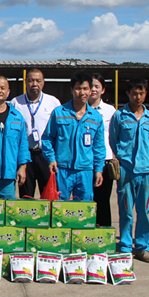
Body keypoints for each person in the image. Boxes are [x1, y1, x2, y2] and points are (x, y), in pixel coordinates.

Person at [109, 78, 149, 263]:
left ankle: (142, 247)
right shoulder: (119, 116)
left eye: (142, 93)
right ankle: (126, 246)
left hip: (146, 170)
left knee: (144, 210)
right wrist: (122, 159)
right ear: (128, 94)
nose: (138, 97)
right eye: (135, 93)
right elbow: (113, 140)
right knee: (126, 209)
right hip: (126, 169)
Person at [41, 71, 105, 201]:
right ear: (72, 90)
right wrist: (51, 159)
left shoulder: (96, 117)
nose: (82, 93)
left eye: (85, 89)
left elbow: (99, 146)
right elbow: (47, 138)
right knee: (59, 207)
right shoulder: (59, 113)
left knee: (83, 207)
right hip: (62, 170)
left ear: (90, 91)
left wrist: (99, 169)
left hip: (85, 171)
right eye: (78, 88)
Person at [10, 68, 61, 198]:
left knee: (49, 195)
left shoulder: (53, 102)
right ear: (26, 82)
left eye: (38, 80)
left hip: (45, 155)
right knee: (26, 196)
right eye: (31, 80)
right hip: (25, 155)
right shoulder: (16, 102)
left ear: (43, 82)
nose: (35, 84)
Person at [89, 73, 116, 227]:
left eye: (97, 86)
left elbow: (115, 134)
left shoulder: (110, 111)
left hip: (104, 160)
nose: (93, 89)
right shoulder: (79, 109)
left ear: (103, 90)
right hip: (85, 162)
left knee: (103, 200)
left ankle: (104, 232)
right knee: (87, 200)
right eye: (90, 86)